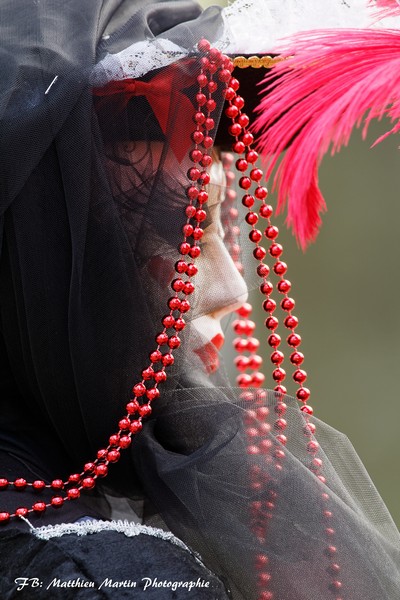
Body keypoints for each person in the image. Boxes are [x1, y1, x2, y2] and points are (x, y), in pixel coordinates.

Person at [0, 0, 399, 598]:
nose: (232, 289)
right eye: (186, 229)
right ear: (49, 262)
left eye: (218, 228)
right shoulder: (104, 577)